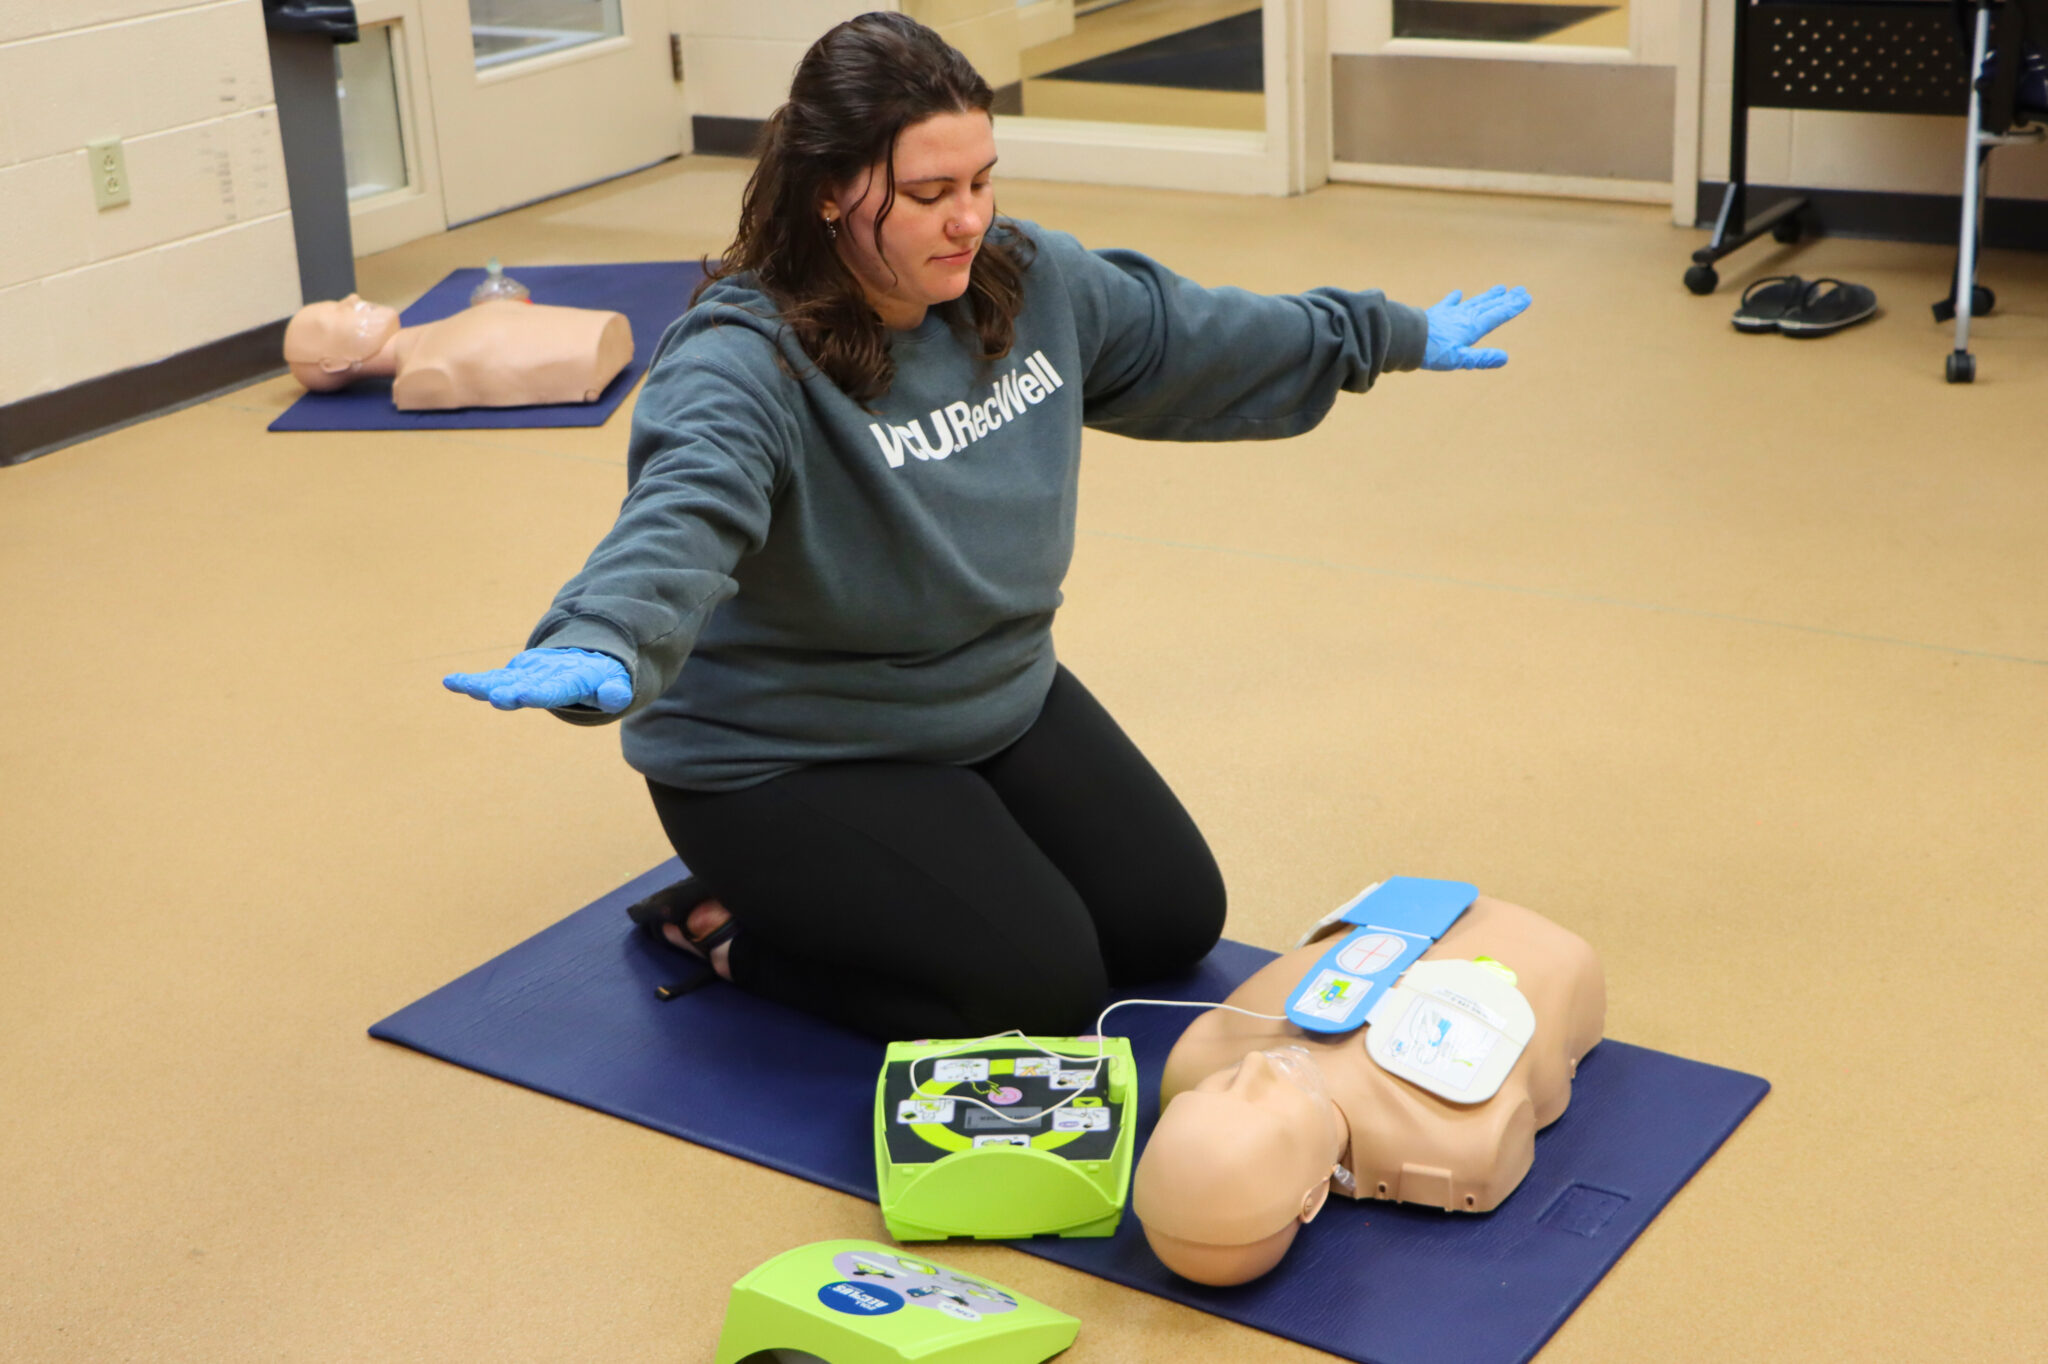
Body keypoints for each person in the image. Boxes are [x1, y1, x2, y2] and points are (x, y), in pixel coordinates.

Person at [443, 12, 1531, 1042]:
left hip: (985, 693)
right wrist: (603, 635)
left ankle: (909, 864)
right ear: (828, 192)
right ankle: (728, 929)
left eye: (979, 180)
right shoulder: (744, 362)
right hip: (787, 749)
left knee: (1166, 921)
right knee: (1037, 986)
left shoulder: (1020, 279)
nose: (969, 218)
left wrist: (1384, 334)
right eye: (927, 192)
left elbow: (1189, 334)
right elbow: (684, 507)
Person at [1132, 892, 1604, 1285]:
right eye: (1260, 1105)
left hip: (1423, 910)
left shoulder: (1204, 1054)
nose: (1254, 1068)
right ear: (1313, 1198)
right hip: (1547, 951)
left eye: (1218, 1091)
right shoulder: (1456, 1137)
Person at [282, 293, 633, 410]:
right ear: (335, 363)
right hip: (594, 356)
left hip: (604, 335)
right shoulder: (425, 373)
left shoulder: (438, 334)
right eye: (331, 319)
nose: (353, 300)